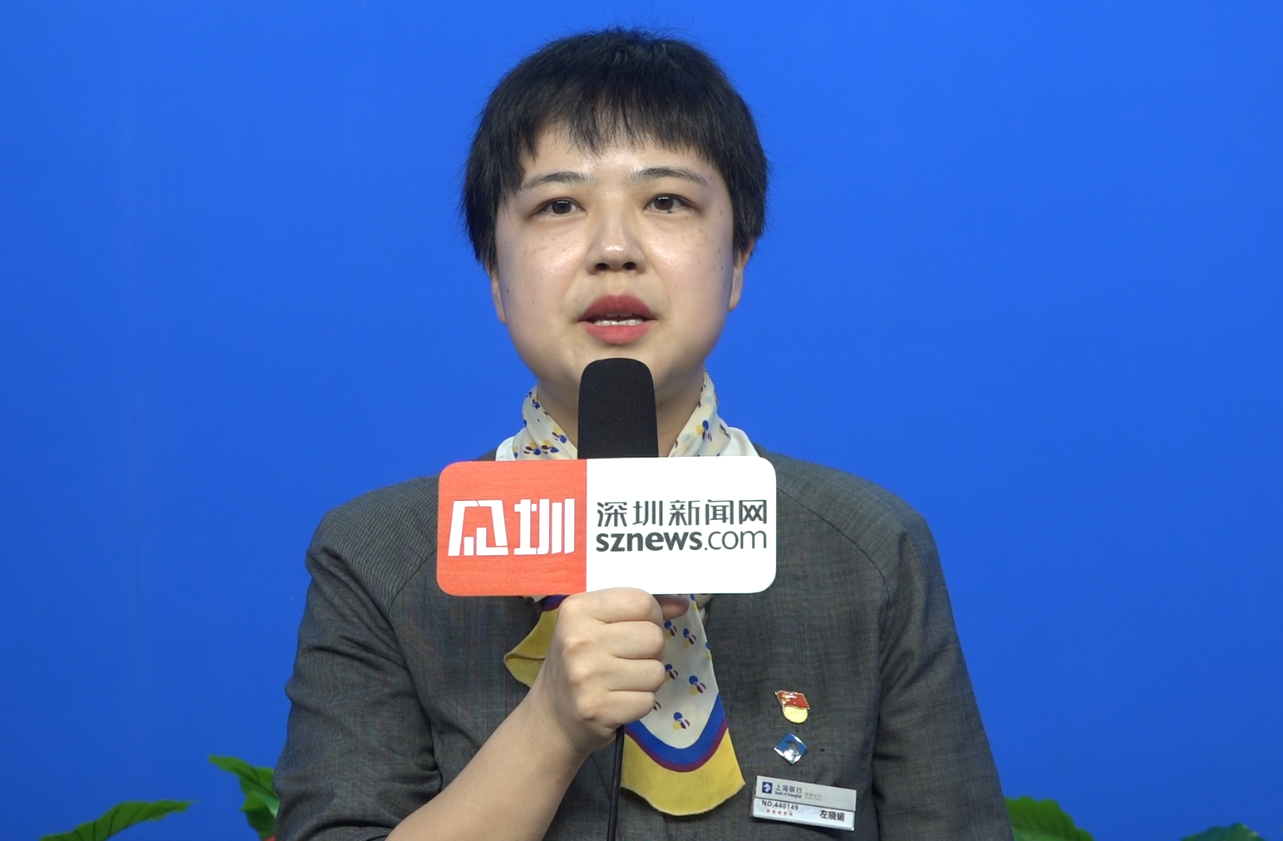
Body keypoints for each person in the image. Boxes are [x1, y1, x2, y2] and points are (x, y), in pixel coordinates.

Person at [276, 28, 1012, 840]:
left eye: (665, 201)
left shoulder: (871, 550)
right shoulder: (380, 559)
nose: (613, 250)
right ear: (495, 274)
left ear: (737, 261)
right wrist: (549, 726)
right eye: (559, 205)